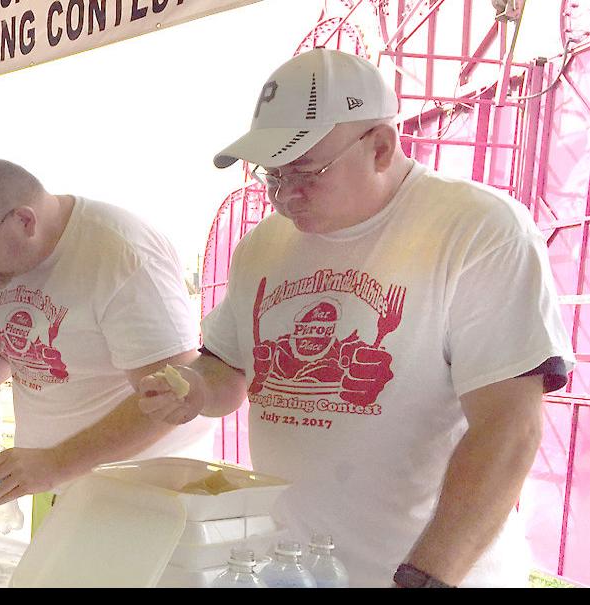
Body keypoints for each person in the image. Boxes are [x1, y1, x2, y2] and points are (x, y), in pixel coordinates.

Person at [137, 48, 574, 588]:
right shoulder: (264, 246)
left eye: (305, 172)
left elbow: (509, 427)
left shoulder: (477, 229)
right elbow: (228, 371)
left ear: (381, 147)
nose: (285, 197)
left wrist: (423, 579)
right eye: (272, 176)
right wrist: (194, 391)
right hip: (298, 569)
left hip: (431, 574)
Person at [0, 158, 215, 507]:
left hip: (142, 494)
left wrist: (57, 462)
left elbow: (171, 401)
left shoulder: (120, 254)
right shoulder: (1, 266)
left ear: (24, 220)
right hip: (56, 483)